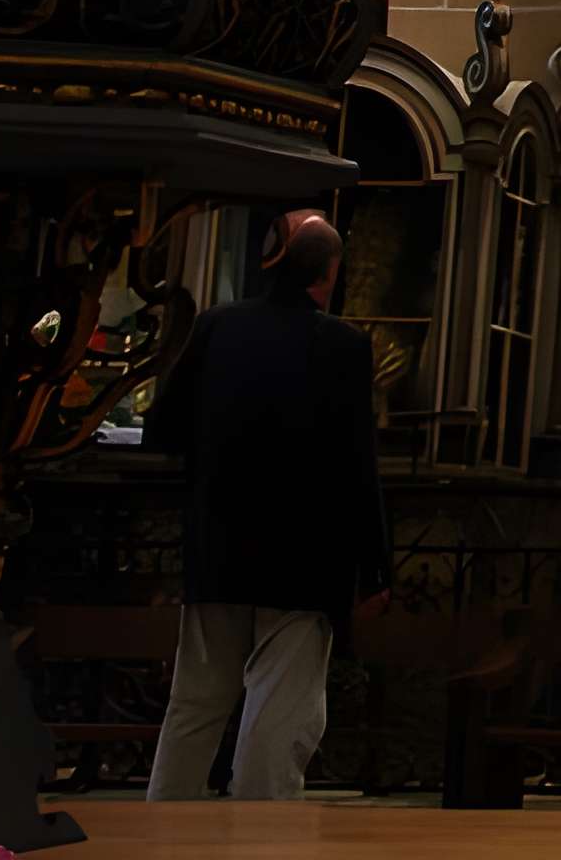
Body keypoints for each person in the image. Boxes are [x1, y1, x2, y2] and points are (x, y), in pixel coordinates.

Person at [143, 209, 390, 800]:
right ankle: (259, 838)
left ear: (268, 261)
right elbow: (360, 465)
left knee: (195, 705)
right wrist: (375, 567)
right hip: (305, 557)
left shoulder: (215, 327)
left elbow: (163, 429)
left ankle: (157, 834)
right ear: (329, 273)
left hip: (219, 547)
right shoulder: (345, 346)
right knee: (278, 715)